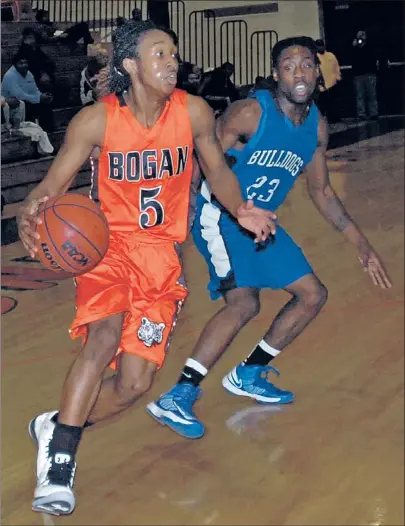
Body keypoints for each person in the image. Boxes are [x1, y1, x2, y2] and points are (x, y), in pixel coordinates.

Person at [17, 20, 275, 517]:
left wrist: (241, 207)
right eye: (159, 54)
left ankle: (59, 426)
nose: (171, 61)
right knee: (103, 337)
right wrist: (33, 210)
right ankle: (59, 467)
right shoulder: (96, 121)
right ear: (130, 65)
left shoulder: (193, 111)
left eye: (173, 53)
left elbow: (218, 170)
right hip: (108, 249)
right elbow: (51, 185)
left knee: (134, 387)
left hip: (161, 259)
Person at [147, 36, 392, 439]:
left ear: (320, 72)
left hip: (262, 222)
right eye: (289, 65)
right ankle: (179, 394)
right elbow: (202, 160)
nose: (299, 72)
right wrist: (183, 214)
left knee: (313, 294)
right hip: (220, 217)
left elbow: (322, 191)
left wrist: (361, 244)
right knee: (243, 303)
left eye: (307, 64)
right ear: (276, 73)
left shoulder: (316, 126)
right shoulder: (249, 113)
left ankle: (249, 372)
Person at [1, 53, 54, 131]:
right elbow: (19, 95)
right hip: (11, 105)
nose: (24, 65)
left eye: (25, 62)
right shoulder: (10, 75)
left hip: (26, 100)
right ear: (15, 65)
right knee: (27, 104)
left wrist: (42, 96)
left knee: (45, 103)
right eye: (21, 63)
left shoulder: (28, 73)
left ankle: (48, 131)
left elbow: (34, 90)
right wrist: (38, 98)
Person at [351, 30, 379, 120]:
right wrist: (354, 47)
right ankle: (361, 114)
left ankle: (373, 113)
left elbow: (375, 58)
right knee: (360, 96)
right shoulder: (354, 49)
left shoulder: (371, 47)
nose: (361, 38)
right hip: (358, 75)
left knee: (372, 95)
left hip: (370, 74)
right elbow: (350, 57)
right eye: (359, 36)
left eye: (363, 36)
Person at [19, 28, 56, 95]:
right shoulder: (23, 51)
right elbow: (30, 66)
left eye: (31, 36)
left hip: (43, 75)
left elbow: (49, 63)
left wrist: (45, 72)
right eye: (27, 37)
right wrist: (42, 73)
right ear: (24, 39)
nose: (30, 39)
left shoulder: (37, 50)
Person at [315, 38, 341, 122]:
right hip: (322, 85)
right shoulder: (314, 58)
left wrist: (338, 77)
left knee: (333, 103)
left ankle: (334, 118)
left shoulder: (331, 55)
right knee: (322, 104)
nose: (320, 48)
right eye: (319, 46)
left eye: (321, 46)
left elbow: (336, 67)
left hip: (333, 83)